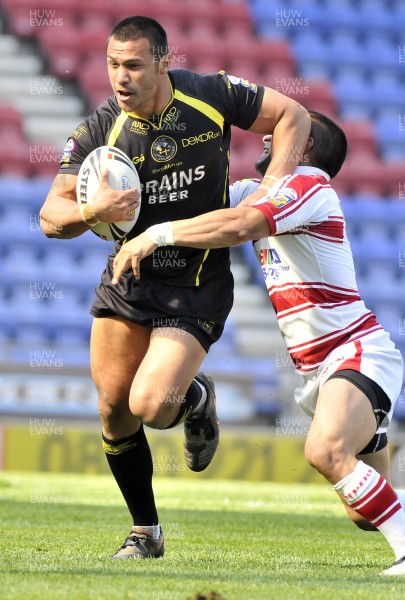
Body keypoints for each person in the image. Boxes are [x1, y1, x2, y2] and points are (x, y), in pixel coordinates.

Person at [110, 111, 405, 575]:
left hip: (357, 353)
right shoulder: (262, 192)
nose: (267, 137)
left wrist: (157, 235)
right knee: (366, 509)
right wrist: (122, 200)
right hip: (326, 368)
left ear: (303, 147)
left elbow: (238, 226)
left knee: (324, 452)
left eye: (279, 133)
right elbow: (201, 210)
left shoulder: (309, 185)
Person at [39, 15, 311, 559]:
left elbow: (293, 115)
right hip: (129, 276)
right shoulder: (99, 128)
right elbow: (51, 215)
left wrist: (274, 188)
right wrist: (92, 210)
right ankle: (146, 532)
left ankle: (195, 398)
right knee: (115, 407)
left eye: (134, 65)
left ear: (164, 61)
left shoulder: (211, 94)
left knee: (153, 406)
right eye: (113, 64)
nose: (121, 77)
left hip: (197, 278)